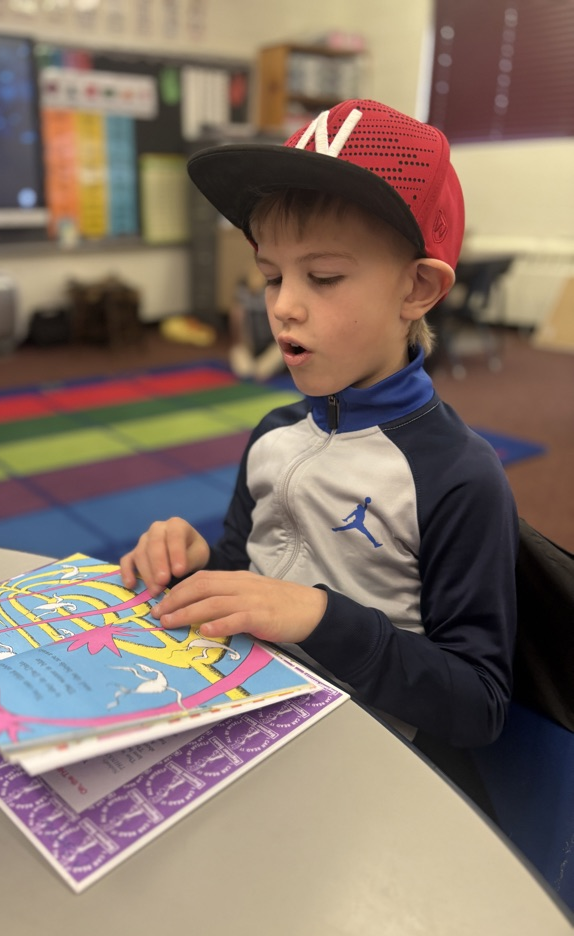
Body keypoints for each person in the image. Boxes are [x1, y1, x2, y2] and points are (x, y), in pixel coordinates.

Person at [120, 99, 518, 755]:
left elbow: (479, 705)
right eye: (272, 276)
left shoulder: (458, 479)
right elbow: (245, 570)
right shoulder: (274, 436)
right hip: (245, 721)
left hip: (368, 764)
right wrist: (197, 564)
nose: (284, 307)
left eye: (324, 277)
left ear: (417, 290)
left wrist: (321, 617)